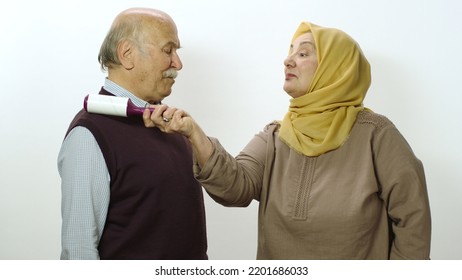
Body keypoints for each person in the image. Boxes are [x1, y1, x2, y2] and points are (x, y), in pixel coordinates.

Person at [143, 22, 431, 259]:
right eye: (290, 51)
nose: (288, 59)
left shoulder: (376, 134)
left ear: (337, 68)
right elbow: (235, 187)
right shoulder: (275, 137)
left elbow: (413, 221)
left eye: (304, 53)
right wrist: (194, 133)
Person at [58, 8, 208, 260]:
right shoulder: (89, 135)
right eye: (168, 50)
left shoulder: (171, 124)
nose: (178, 63)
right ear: (127, 54)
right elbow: (79, 252)